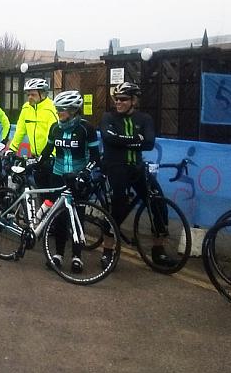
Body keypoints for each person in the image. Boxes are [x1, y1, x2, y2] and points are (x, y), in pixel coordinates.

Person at [99, 81, 174, 267]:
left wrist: (123, 141)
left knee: (157, 202)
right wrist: (134, 140)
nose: (118, 102)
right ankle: (108, 250)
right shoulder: (108, 117)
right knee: (118, 206)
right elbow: (109, 139)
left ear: (134, 101)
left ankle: (159, 250)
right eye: (116, 99)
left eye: (123, 99)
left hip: (137, 168)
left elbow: (148, 143)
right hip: (115, 167)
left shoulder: (144, 119)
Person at [39, 90, 100, 273]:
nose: (58, 113)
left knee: (77, 218)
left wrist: (85, 172)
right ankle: (57, 255)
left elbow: (96, 157)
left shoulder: (86, 129)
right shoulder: (55, 128)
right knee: (59, 217)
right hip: (58, 176)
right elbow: (47, 150)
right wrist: (35, 162)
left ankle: (77, 257)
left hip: (77, 179)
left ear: (73, 110)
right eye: (57, 110)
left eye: (62, 110)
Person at [8, 78, 58, 187]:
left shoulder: (51, 109)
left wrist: (51, 155)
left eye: (33, 94)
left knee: (49, 192)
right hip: (35, 156)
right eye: (28, 94)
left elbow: (55, 135)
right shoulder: (26, 108)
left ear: (43, 94)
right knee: (37, 189)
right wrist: (12, 149)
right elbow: (20, 131)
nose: (30, 97)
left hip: (50, 158)